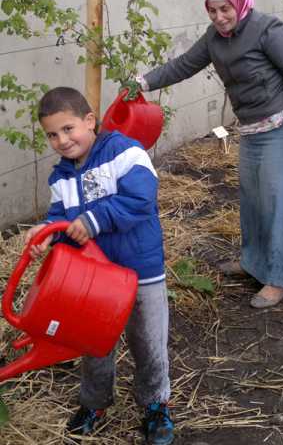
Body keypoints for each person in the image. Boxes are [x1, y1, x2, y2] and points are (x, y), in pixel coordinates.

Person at [136, 0, 283, 309]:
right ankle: (254, 264)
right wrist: (144, 82)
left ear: (239, 2)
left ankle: (282, 277)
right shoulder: (214, 39)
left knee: (281, 203)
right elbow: (183, 65)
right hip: (251, 128)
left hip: (282, 125)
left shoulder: (266, 29)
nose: (220, 17)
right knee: (254, 200)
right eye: (212, 10)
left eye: (225, 8)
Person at [24, 87, 174, 445]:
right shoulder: (60, 178)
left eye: (68, 128)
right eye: (52, 135)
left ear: (90, 121)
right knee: (93, 344)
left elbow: (141, 200)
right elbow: (61, 221)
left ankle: (155, 405)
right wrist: (47, 234)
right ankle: (95, 403)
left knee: (148, 342)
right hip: (94, 280)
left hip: (140, 270)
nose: (61, 140)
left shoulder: (124, 152)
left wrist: (95, 219)